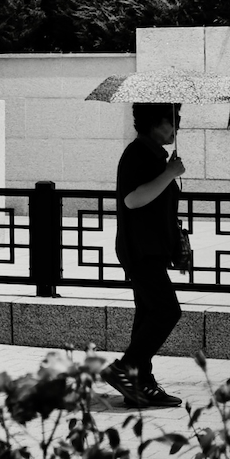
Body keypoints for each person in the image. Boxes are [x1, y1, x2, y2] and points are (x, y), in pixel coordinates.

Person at [101, 103, 188, 410]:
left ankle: (141, 384)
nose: (176, 127)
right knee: (167, 311)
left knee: (148, 313)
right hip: (141, 250)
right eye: (172, 121)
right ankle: (124, 370)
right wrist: (169, 174)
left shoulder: (154, 155)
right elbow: (133, 199)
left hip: (151, 249)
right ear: (154, 123)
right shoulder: (136, 154)